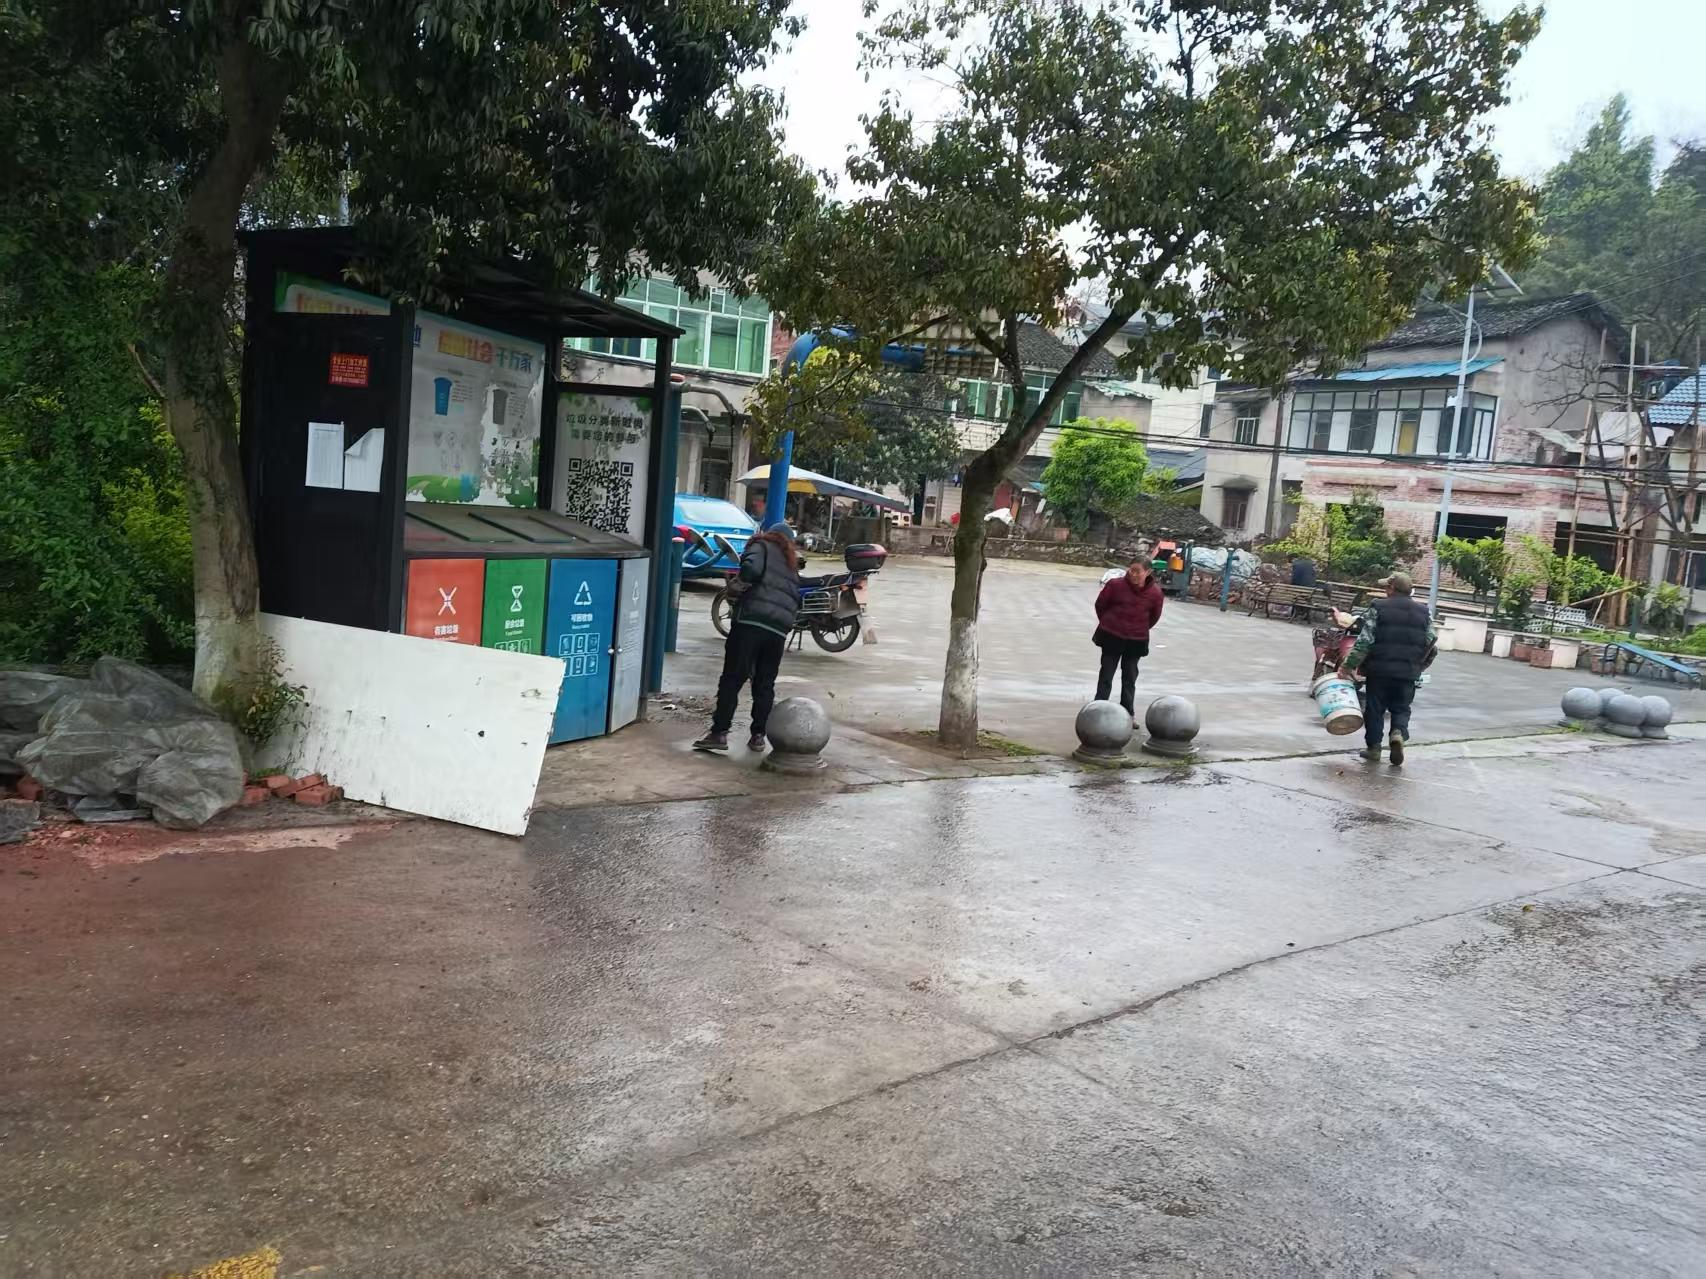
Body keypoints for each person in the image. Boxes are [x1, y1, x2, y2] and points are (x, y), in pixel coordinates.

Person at [694, 525, 800, 753]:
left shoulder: (762, 545)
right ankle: (758, 736)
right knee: (765, 683)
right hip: (778, 630)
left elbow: (751, 569)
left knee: (733, 678)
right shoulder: (791, 564)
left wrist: (737, 585)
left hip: (751, 622)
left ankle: (719, 733)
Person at [1341, 570, 1436, 766]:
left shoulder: (1378, 607)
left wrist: (1348, 665)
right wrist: (1420, 666)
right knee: (1401, 708)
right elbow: (1431, 643)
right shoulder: (1424, 612)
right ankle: (1398, 733)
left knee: (1375, 709)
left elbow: (1365, 641)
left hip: (1379, 670)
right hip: (1408, 671)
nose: (1385, 590)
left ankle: (1374, 749)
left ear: (1392, 588)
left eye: (1387, 586)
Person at [1092, 557, 1165, 718]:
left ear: (1148, 572)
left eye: (1138, 571)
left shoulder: (1155, 593)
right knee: (1106, 674)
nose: (1133, 574)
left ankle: (1127, 714)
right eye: (1131, 570)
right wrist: (1109, 622)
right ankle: (1097, 710)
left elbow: (1154, 617)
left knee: (1129, 678)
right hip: (1112, 636)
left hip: (1135, 640)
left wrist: (1139, 627)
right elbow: (1100, 605)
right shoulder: (1115, 585)